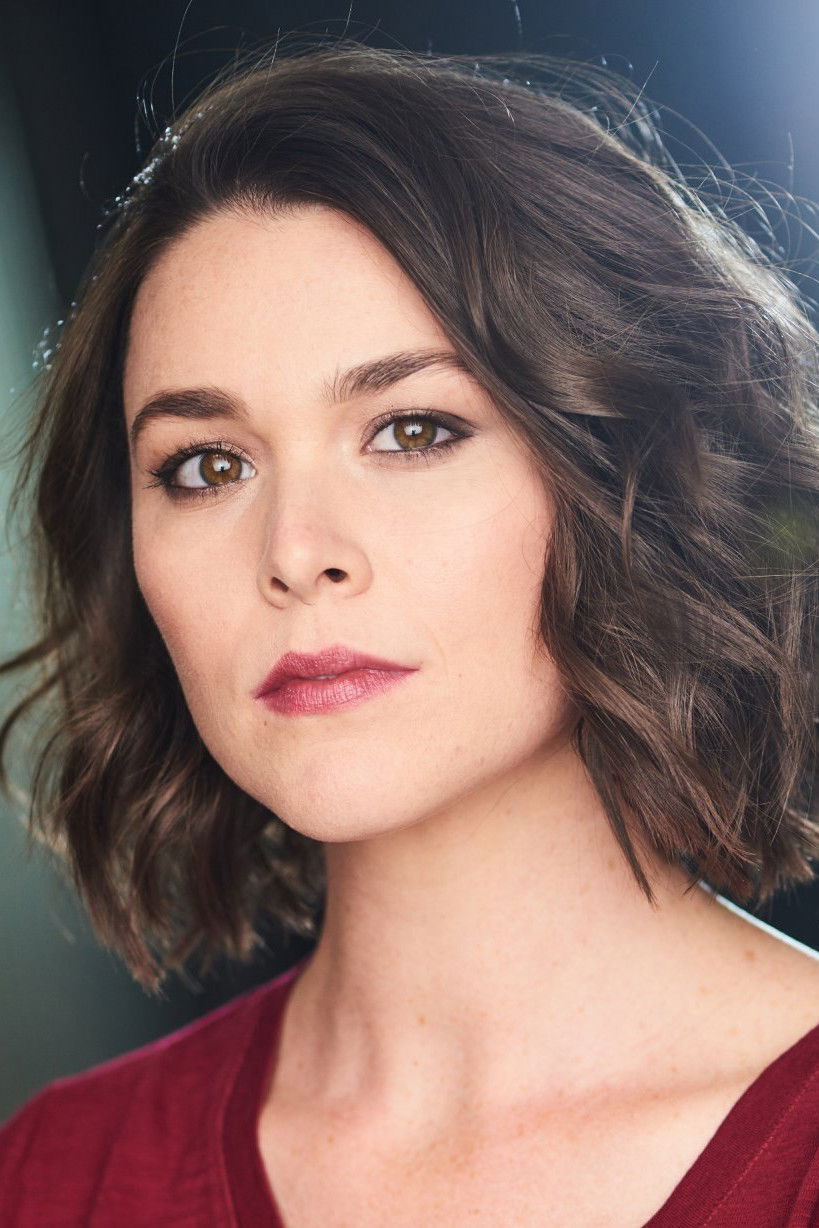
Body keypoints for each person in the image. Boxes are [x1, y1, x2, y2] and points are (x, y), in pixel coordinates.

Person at [0, 34, 818, 1227]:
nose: (295, 553)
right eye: (208, 465)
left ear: (625, 473)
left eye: (412, 431)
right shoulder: (55, 1178)